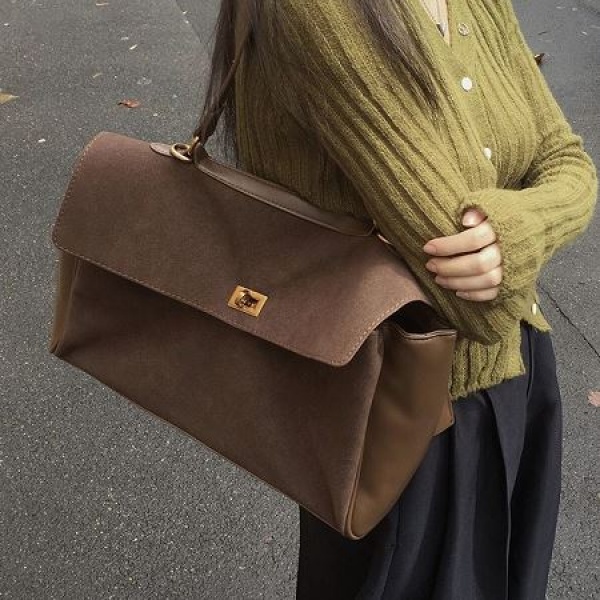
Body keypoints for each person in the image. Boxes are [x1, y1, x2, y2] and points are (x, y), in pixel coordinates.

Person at [199, 0, 598, 598]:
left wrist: (520, 229)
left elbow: (569, 160)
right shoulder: (319, 13)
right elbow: (474, 302)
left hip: (519, 372)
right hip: (403, 409)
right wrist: (528, 221)